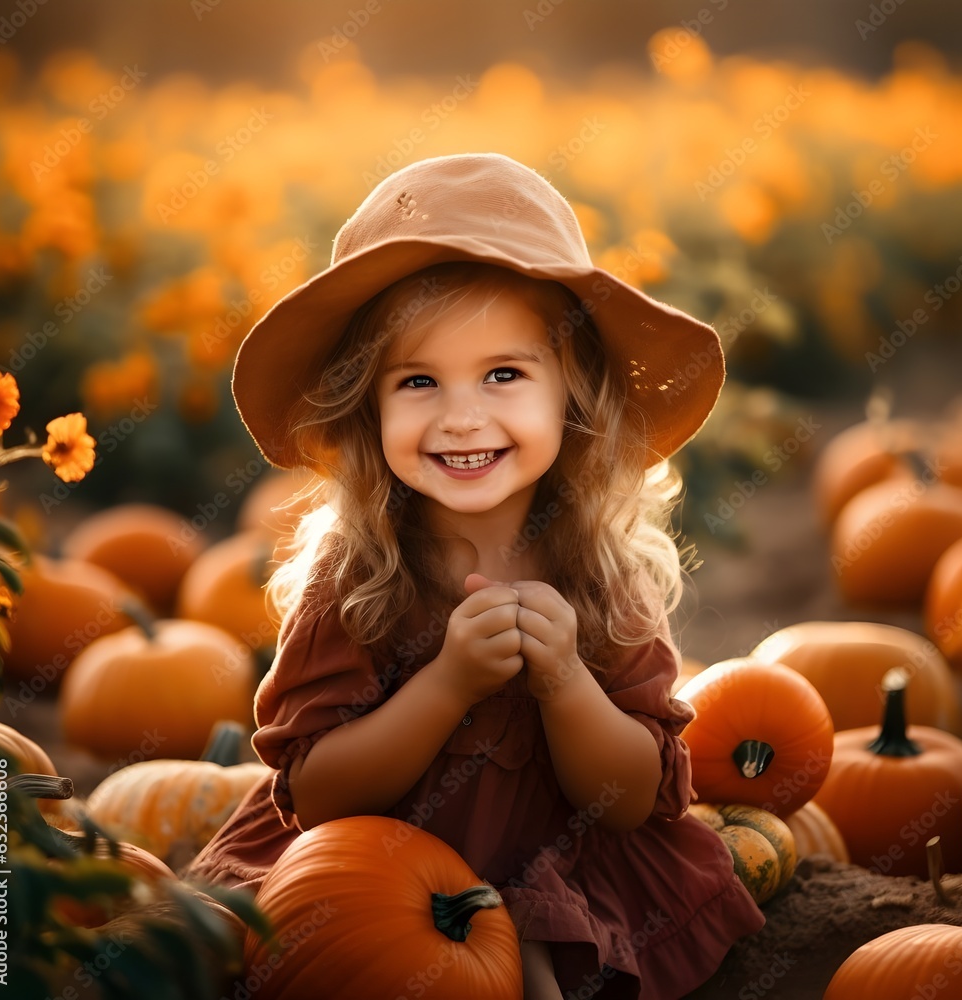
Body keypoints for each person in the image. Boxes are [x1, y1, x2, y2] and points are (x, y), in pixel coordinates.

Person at [188, 152, 765, 998]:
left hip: (555, 863)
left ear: (573, 393)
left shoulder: (602, 573)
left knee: (537, 946)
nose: (462, 417)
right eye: (418, 381)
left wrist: (565, 680)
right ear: (367, 409)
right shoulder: (357, 577)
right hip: (370, 876)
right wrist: (448, 683)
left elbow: (630, 799)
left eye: (504, 374)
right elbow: (317, 798)